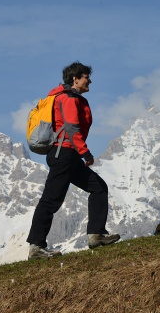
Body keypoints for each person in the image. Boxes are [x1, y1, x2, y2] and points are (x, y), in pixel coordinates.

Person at [26, 62, 120, 259]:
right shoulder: (68, 99)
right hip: (64, 154)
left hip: (68, 154)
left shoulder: (70, 98)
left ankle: (96, 235)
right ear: (75, 79)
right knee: (51, 200)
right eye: (86, 77)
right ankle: (35, 247)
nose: (90, 81)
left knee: (98, 187)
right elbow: (71, 128)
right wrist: (85, 153)